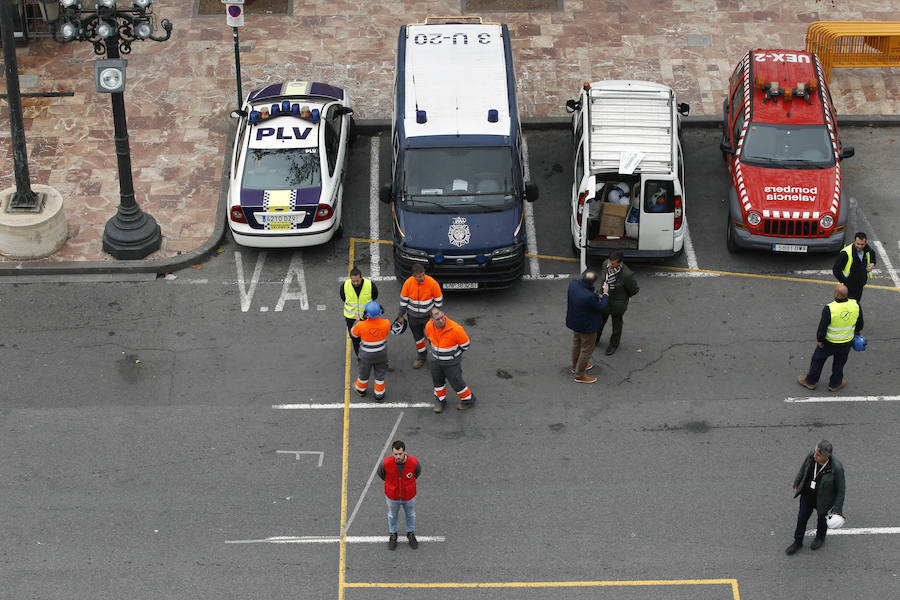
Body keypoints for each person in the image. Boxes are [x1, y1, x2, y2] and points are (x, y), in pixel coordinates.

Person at [797, 284, 863, 392]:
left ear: (836, 294)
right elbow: (860, 324)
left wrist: (820, 340)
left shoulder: (830, 308)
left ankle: (810, 382)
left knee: (817, 360)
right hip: (846, 342)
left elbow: (822, 328)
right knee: (839, 363)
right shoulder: (855, 305)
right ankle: (835, 384)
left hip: (830, 342)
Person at [785, 440, 845, 555]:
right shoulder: (812, 455)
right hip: (807, 495)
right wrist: (797, 480)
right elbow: (804, 467)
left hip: (823, 500)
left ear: (826, 457)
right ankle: (797, 541)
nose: (814, 455)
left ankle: (820, 538)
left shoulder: (836, 468)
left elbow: (841, 490)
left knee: (822, 520)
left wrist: (837, 510)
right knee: (801, 518)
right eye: (816, 452)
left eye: (818, 455)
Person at [425, 308, 475, 412]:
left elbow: (465, 345)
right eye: (438, 319)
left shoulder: (456, 329)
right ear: (432, 320)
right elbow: (429, 339)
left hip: (451, 363)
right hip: (436, 362)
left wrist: (453, 356)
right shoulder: (429, 326)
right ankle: (440, 401)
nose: (441, 320)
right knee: (438, 383)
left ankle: (468, 400)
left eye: (442, 317)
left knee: (457, 382)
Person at [566, 270, 610, 383]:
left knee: (576, 344)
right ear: (592, 283)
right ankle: (579, 375)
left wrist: (595, 295)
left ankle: (575, 366)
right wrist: (605, 294)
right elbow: (601, 307)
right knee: (586, 350)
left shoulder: (573, 285)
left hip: (575, 322)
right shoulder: (589, 297)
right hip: (587, 326)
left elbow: (587, 294)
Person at [396, 264, 443, 369]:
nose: (422, 278)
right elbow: (403, 301)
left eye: (423, 275)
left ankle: (437, 359)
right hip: (413, 317)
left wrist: (435, 316)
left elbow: (438, 301)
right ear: (414, 276)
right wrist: (400, 316)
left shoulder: (432, 283)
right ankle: (422, 357)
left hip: (428, 318)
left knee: (433, 338)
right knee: (418, 339)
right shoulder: (408, 283)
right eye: (419, 277)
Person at [377, 440, 420, 550]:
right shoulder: (386, 463)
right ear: (392, 453)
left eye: (400, 454)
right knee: (392, 515)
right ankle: (393, 534)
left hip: (409, 496)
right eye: (395, 454)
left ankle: (410, 533)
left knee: (410, 514)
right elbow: (381, 474)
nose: (398, 457)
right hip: (392, 496)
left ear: (405, 452)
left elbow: (417, 473)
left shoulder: (414, 463)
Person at [596, 251, 639, 355]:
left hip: (617, 303)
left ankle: (614, 344)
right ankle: (595, 340)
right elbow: (603, 281)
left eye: (613, 263)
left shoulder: (626, 275)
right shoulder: (605, 264)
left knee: (616, 326)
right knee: (599, 322)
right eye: (610, 262)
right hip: (604, 299)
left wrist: (624, 298)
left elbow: (634, 289)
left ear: (620, 263)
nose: (610, 265)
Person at [350, 302, 391, 402]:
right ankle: (379, 395)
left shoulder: (361, 325)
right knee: (380, 374)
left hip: (366, 356)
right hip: (381, 354)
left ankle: (360, 389)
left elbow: (353, 334)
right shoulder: (386, 323)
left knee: (364, 373)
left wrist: (358, 321)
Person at [340, 266, 378, 356]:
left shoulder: (370, 285)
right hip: (351, 318)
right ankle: (359, 355)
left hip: (367, 317)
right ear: (350, 278)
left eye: (357, 280)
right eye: (353, 281)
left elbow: (375, 296)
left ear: (361, 277)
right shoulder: (345, 285)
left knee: (368, 337)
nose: (355, 283)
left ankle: (369, 354)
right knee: (354, 338)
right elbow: (343, 297)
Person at [833, 232, 876, 303]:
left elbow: (872, 255)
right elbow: (836, 269)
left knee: (856, 304)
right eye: (857, 244)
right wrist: (844, 281)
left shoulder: (868, 250)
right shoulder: (845, 253)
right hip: (847, 287)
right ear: (854, 242)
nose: (859, 246)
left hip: (859, 285)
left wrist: (872, 263)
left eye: (862, 244)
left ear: (865, 243)